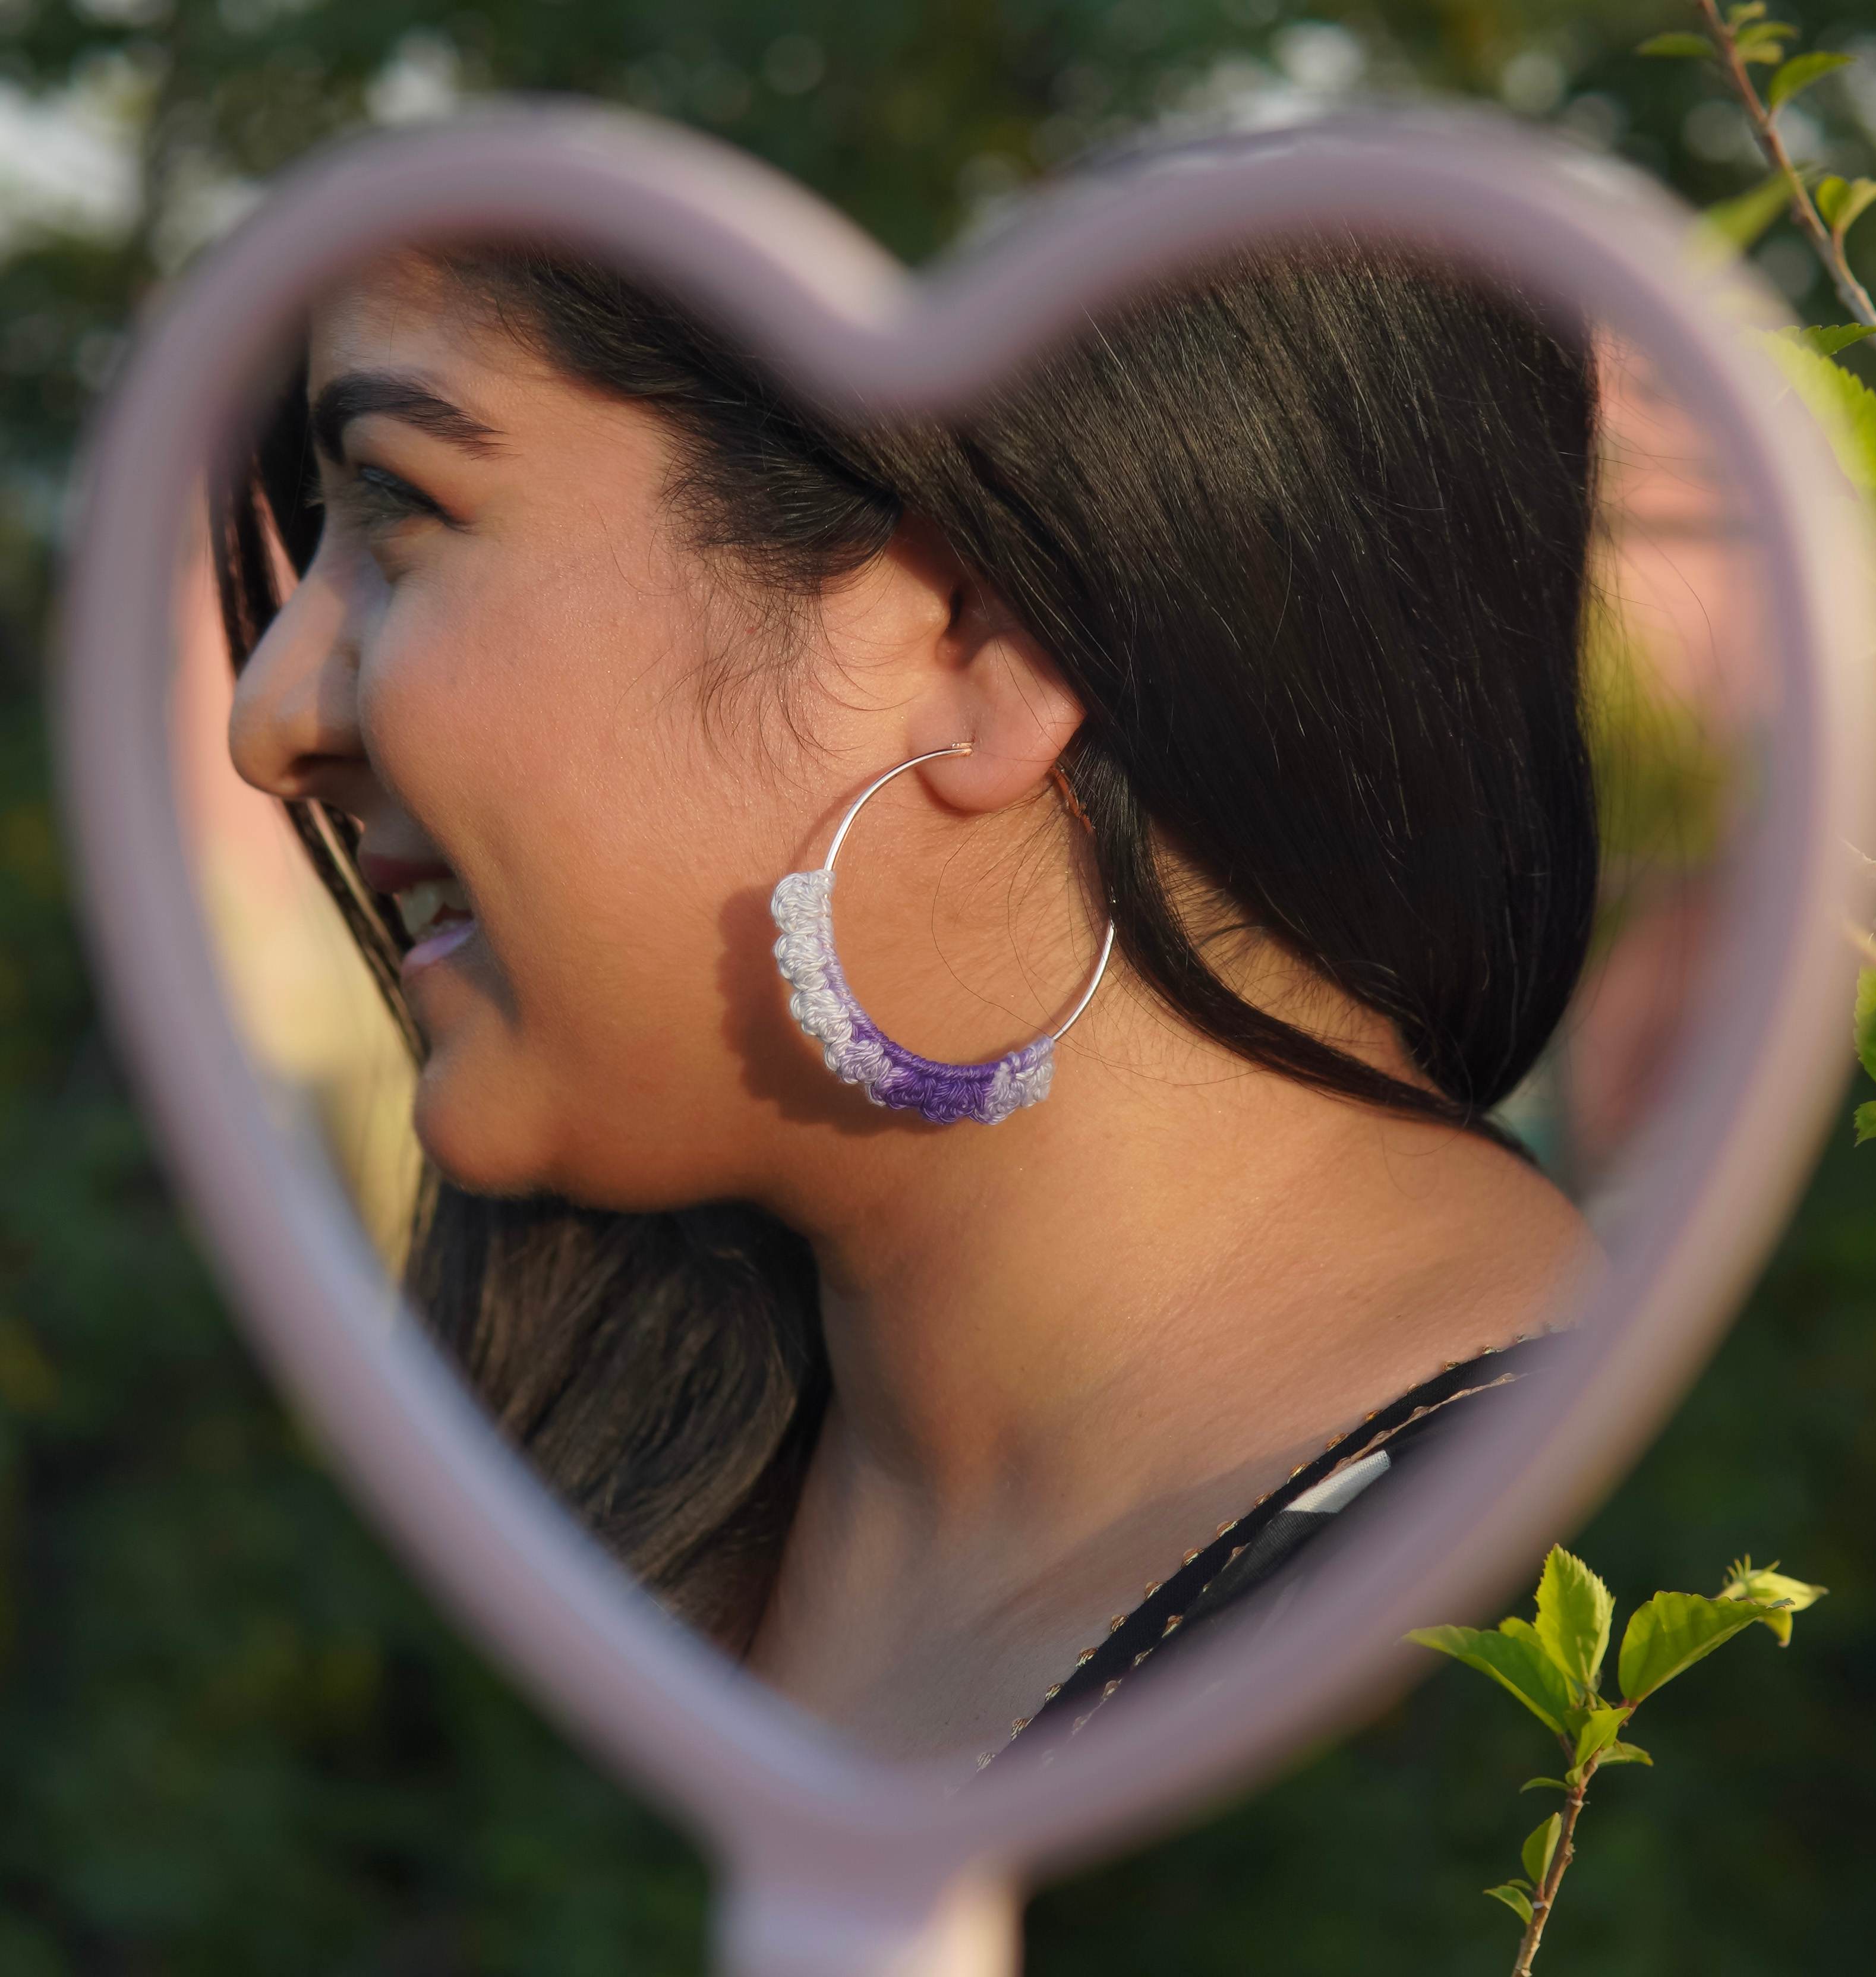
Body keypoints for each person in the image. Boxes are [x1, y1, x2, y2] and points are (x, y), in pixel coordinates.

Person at [215, 227, 1601, 1774]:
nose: (269, 722)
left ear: (981, 640)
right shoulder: (618, 1477)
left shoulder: (1555, 1653)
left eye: (399, 505)